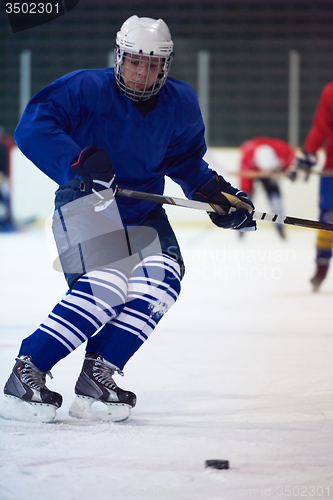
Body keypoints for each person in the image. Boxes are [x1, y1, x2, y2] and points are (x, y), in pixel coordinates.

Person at [1, 15, 256, 423]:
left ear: (166, 65)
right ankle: (26, 372)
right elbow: (34, 126)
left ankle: (96, 378)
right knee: (107, 284)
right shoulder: (85, 87)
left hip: (143, 210)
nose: (142, 72)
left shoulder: (181, 102)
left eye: (153, 64)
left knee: (162, 281)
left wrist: (217, 195)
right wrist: (78, 162)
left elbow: (186, 162)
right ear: (119, 57)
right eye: (135, 61)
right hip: (89, 201)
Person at [292, 82, 333, 292]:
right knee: (327, 219)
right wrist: (309, 152)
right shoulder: (331, 92)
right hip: (332, 169)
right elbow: (321, 126)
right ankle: (322, 265)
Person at [238, 137, 295, 239]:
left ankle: (279, 226)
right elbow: (245, 184)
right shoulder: (247, 158)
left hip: (272, 174)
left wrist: (290, 169)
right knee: (246, 198)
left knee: (276, 199)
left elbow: (294, 161)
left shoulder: (282, 149)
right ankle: (242, 224)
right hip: (252, 172)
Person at [0, 126, 16, 232]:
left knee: (5, 199)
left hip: (2, 176)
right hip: (2, 175)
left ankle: (6, 221)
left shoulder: (3, 145)